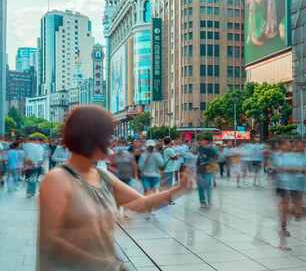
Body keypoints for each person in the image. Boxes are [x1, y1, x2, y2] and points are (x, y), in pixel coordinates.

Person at [37, 106, 192, 271]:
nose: (111, 142)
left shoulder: (102, 175)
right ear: (89, 138)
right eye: (107, 136)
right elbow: (51, 241)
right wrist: (106, 264)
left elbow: (141, 204)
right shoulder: (57, 180)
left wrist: (178, 189)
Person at [194, 133, 219, 209]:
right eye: (199, 140)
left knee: (208, 186)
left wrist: (209, 161)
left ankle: (209, 201)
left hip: (208, 169)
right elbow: (194, 154)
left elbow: (216, 157)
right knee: (200, 186)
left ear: (206, 141)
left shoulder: (212, 149)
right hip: (199, 169)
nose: (200, 141)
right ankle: (202, 202)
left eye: (202, 140)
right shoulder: (199, 148)